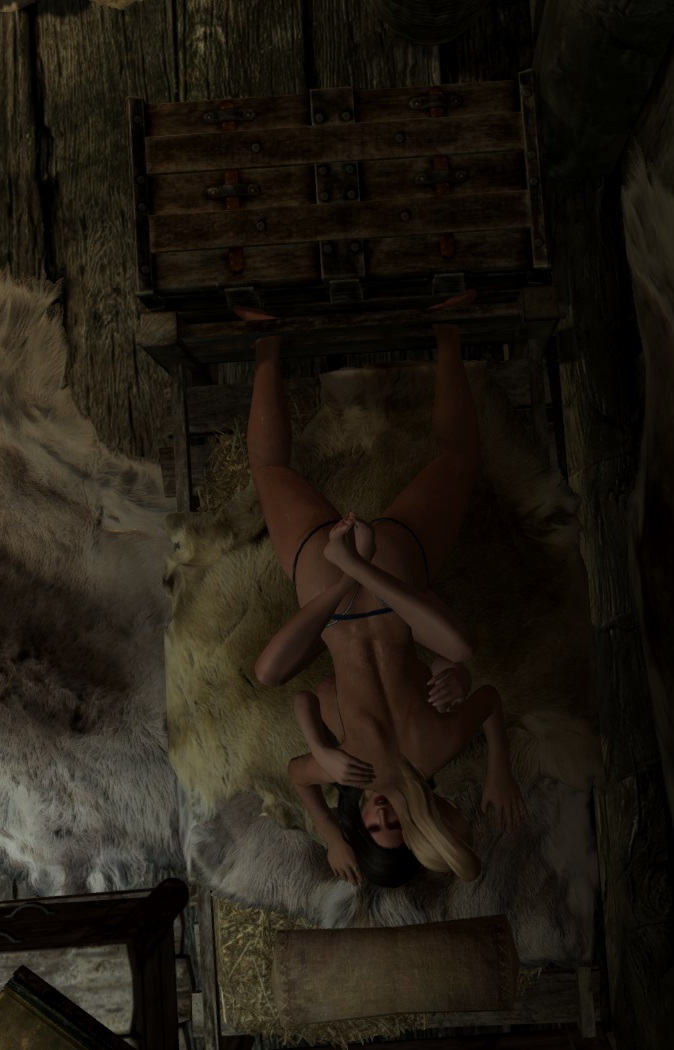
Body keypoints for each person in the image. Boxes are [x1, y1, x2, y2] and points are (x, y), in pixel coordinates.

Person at [241, 295, 528, 888]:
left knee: (272, 473)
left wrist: (327, 815)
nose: (380, 814)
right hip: (387, 584)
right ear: (420, 821)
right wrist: (499, 769)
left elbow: (300, 767)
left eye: (373, 827)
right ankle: (444, 328)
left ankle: (271, 340)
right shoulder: (425, 749)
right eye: (397, 822)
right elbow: (487, 697)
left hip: (346, 597)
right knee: (455, 459)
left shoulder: (356, 770)